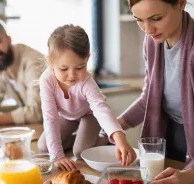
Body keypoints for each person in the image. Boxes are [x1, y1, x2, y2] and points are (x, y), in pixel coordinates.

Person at [117, 0, 194, 183]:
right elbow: (149, 99)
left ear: (181, 3)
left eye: (156, 18)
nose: (147, 29)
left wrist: (190, 176)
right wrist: (114, 127)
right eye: (139, 19)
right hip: (166, 136)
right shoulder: (152, 42)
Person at [37, 24, 137, 171]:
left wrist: (119, 138)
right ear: (51, 62)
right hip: (67, 115)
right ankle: (80, 139)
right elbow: (50, 118)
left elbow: (101, 110)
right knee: (44, 146)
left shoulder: (86, 83)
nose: (72, 75)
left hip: (90, 115)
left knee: (80, 151)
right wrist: (57, 156)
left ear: (88, 59)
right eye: (64, 69)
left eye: (79, 67)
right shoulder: (46, 80)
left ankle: (104, 137)